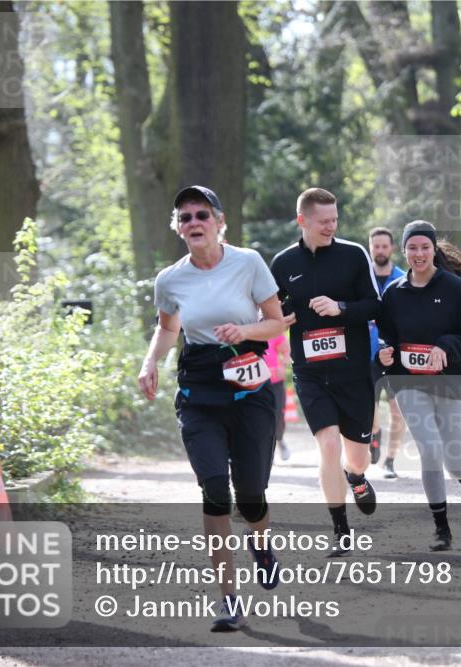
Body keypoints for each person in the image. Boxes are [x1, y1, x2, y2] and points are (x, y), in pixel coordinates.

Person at [137, 185, 285, 632]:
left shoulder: (248, 262)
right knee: (215, 490)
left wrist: (245, 332)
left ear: (220, 222)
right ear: (178, 228)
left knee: (251, 494)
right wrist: (150, 362)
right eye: (185, 217)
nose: (194, 223)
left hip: (249, 391)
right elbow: (168, 329)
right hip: (200, 392)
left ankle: (260, 542)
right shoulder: (170, 279)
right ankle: (228, 599)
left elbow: (277, 322)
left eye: (202, 214)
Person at [270, 187, 381, 556]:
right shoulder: (283, 263)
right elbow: (270, 310)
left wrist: (341, 308)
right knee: (328, 445)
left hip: (353, 371)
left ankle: (357, 476)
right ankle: (340, 530)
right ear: (302, 220)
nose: (331, 226)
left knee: (358, 457)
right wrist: (279, 316)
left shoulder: (353, 255)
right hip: (310, 373)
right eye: (323, 221)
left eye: (335, 219)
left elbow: (375, 306)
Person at [377, 221, 461, 551]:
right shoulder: (393, 293)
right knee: (430, 449)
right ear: (404, 251)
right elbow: (387, 337)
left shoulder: (456, 289)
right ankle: (441, 527)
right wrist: (385, 353)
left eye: (425, 247)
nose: (419, 253)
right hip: (409, 382)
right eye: (412, 248)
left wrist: (445, 347)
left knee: (455, 460)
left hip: (452, 382)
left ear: (433, 249)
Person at [367, 226, 406, 478]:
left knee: (397, 410)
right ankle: (375, 433)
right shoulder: (361, 278)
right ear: (370, 248)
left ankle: (390, 461)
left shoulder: (403, 278)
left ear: (391, 248)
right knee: (369, 412)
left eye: (384, 246)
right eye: (376, 246)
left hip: (395, 354)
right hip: (368, 354)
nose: (380, 250)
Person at [264, 333, 292, 461]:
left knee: (278, 415)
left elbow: (286, 350)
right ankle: (267, 452)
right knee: (260, 417)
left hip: (275, 382)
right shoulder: (246, 328)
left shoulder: (273, 330)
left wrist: (283, 366)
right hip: (256, 384)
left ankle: (279, 439)